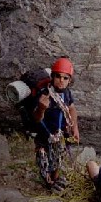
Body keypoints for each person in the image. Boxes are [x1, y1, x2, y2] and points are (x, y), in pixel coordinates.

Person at [33, 56, 80, 191]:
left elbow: (71, 109)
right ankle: (49, 183)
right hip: (44, 133)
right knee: (44, 160)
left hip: (60, 133)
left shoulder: (66, 93)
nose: (61, 81)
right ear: (53, 77)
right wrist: (42, 108)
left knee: (58, 157)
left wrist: (75, 128)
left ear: (69, 80)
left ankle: (55, 178)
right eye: (58, 77)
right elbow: (36, 118)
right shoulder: (45, 94)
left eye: (65, 78)